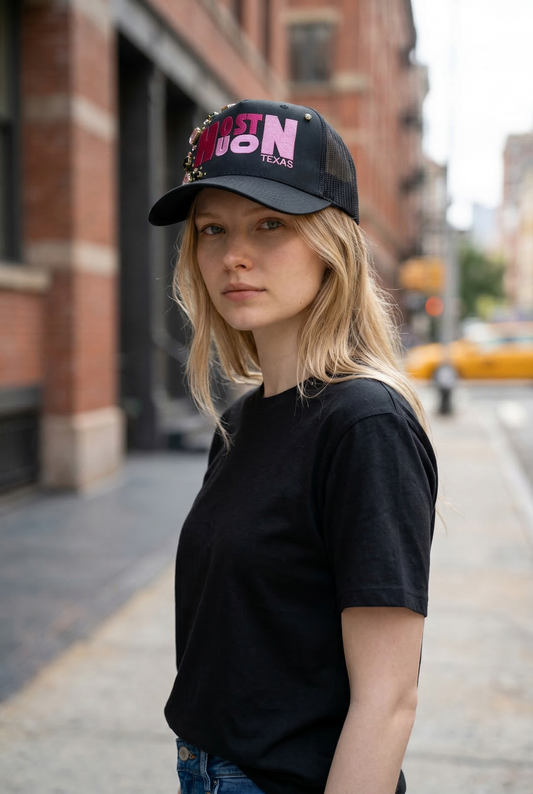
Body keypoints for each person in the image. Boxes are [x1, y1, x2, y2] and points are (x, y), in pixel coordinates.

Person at [148, 99, 438, 794]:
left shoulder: (364, 423)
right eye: (213, 229)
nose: (233, 255)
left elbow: (387, 703)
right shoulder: (243, 419)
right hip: (207, 770)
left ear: (330, 245)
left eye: (270, 223)